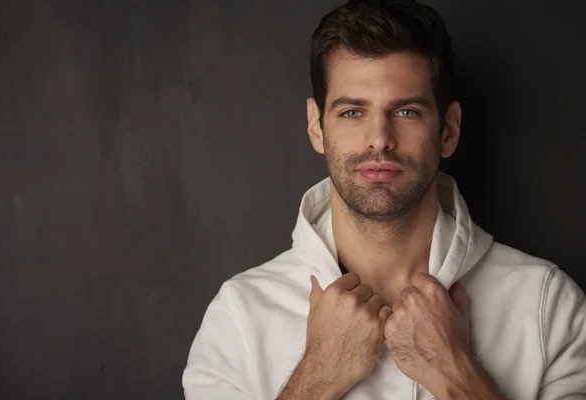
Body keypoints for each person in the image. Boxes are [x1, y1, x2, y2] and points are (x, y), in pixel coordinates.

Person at [182, 0, 586, 398]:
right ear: (316, 127)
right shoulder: (239, 317)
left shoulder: (548, 307)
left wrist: (455, 373)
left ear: (448, 130)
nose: (379, 139)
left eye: (407, 112)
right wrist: (318, 377)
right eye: (352, 113)